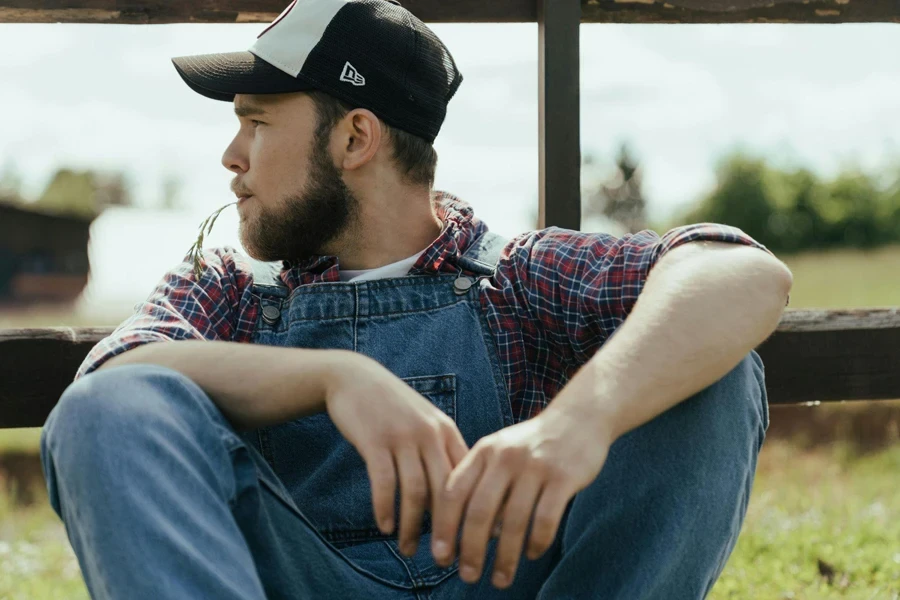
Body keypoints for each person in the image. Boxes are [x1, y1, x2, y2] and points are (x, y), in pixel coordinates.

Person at [39, 0, 792, 598]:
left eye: (257, 121)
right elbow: (116, 380)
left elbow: (742, 274)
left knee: (714, 373)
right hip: (296, 582)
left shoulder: (519, 279)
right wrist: (335, 378)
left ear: (355, 139)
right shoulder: (226, 291)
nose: (231, 157)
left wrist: (576, 424)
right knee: (109, 409)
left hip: (508, 581)